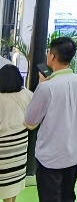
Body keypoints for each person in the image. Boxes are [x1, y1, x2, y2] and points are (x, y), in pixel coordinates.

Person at [24, 37, 77, 202]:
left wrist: (41, 85)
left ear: (52, 56)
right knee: (68, 197)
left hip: (49, 159)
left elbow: (30, 120)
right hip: (73, 155)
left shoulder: (46, 87)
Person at [0, 65, 30, 202]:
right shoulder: (27, 95)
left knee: (5, 185)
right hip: (20, 149)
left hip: (3, 150)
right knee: (14, 184)